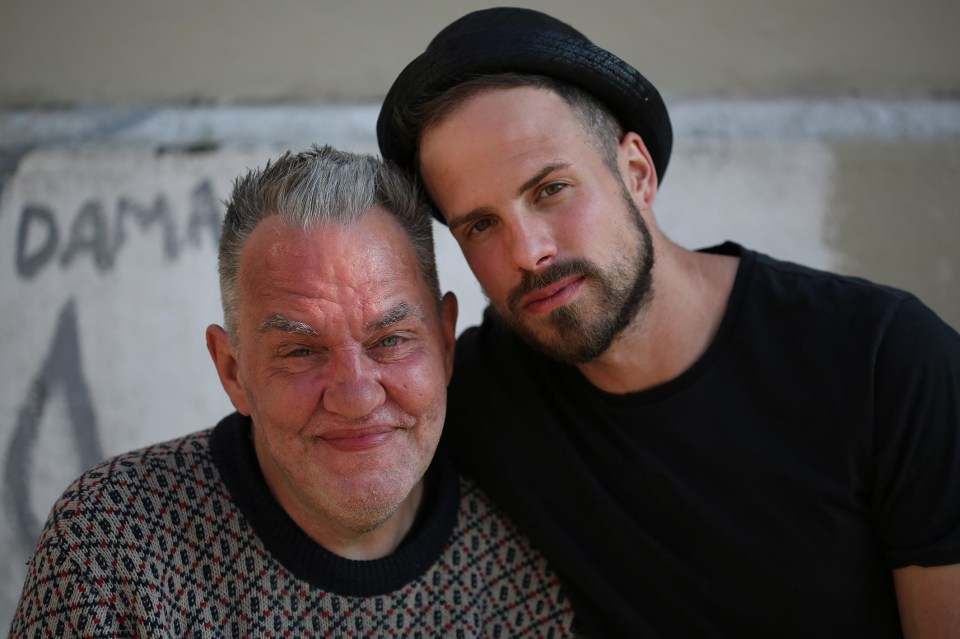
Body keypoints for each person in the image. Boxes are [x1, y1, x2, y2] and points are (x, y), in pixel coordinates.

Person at [376, 7, 960, 638]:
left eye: (551, 190)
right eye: (481, 225)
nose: (528, 252)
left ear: (637, 173)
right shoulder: (473, 401)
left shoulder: (885, 360)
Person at [9, 145, 577, 638]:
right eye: (302, 351)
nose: (356, 396)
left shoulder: (527, 547)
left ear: (446, 343)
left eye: (391, 340)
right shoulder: (112, 544)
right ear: (233, 372)